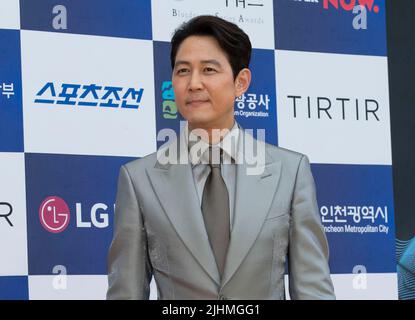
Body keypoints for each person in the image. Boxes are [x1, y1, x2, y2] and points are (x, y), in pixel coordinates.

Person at [107, 15, 335, 300]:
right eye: (182, 71)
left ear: (241, 82)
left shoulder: (290, 172)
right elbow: (125, 293)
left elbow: (313, 290)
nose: (194, 83)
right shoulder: (139, 178)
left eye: (209, 70)